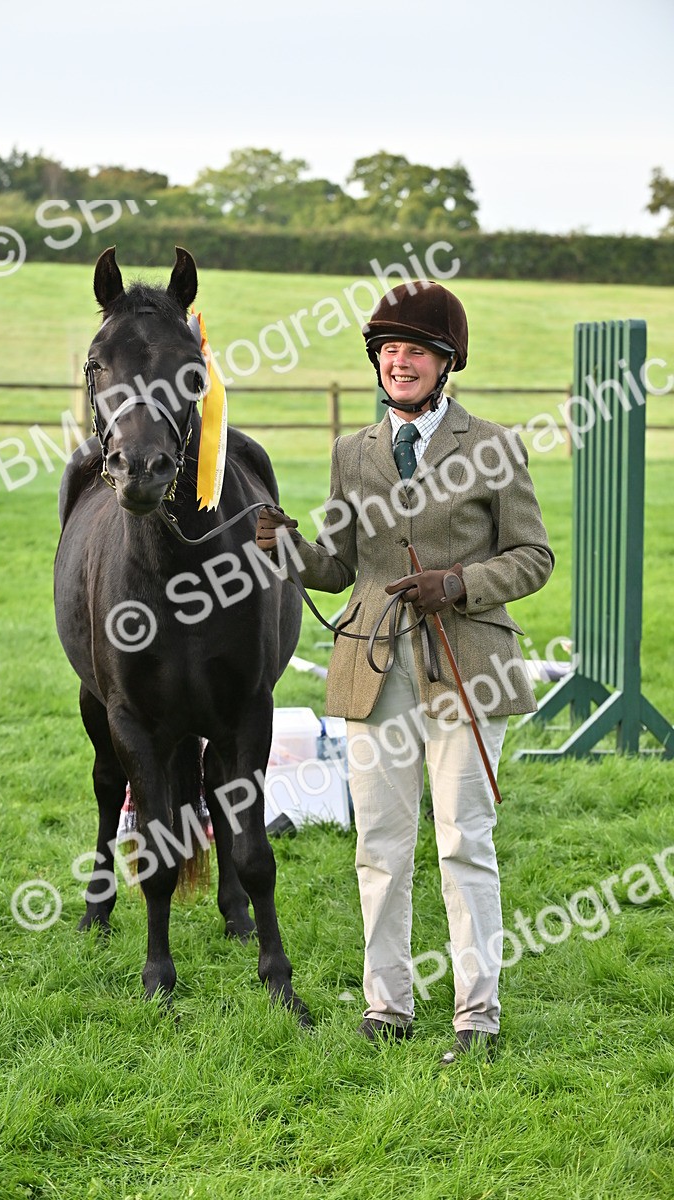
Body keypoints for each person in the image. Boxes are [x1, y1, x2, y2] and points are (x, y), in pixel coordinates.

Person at [256, 281, 554, 1062]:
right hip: (372, 667)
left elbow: (534, 557)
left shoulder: (492, 444)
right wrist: (286, 548)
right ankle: (386, 1006)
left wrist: (458, 583)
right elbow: (338, 565)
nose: (399, 361)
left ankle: (476, 1018)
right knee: (380, 845)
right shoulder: (350, 453)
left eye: (414, 350)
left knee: (463, 842)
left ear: (446, 361)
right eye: (388, 350)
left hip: (467, 665)